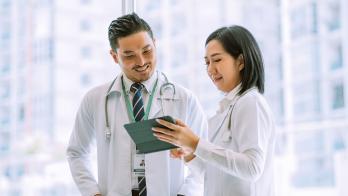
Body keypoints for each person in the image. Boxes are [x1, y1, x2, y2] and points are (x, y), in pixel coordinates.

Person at [66, 13, 207, 196]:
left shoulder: (184, 99)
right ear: (115, 56)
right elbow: (76, 152)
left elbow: (204, 158)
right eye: (129, 55)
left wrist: (186, 194)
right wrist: (93, 193)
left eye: (147, 51)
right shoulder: (95, 99)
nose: (141, 62)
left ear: (155, 44)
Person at [153, 25, 275, 196]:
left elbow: (252, 168)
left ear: (240, 61)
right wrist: (189, 154)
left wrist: (195, 143)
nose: (210, 69)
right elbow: (213, 176)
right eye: (207, 62)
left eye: (217, 60)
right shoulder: (223, 111)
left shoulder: (251, 102)